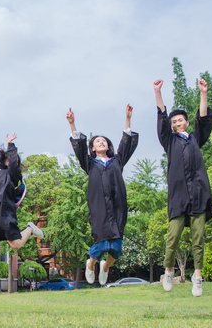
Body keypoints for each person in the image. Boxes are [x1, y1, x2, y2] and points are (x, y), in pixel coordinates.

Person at [154, 79, 212, 297]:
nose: (178, 122)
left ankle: (197, 277)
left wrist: (203, 93)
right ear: (171, 126)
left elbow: (203, 118)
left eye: (181, 120)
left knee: (198, 239)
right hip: (179, 196)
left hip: (199, 193)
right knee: (173, 237)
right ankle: (169, 270)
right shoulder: (169, 141)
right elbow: (162, 115)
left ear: (186, 123)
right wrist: (158, 92)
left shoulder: (196, 139)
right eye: (174, 121)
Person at [67, 105, 139, 286]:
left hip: (117, 206)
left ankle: (105, 267)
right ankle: (91, 263)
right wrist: (72, 124)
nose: (101, 142)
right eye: (97, 141)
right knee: (101, 243)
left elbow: (126, 144)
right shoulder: (90, 164)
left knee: (116, 248)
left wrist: (128, 119)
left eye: (104, 141)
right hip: (99, 206)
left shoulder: (118, 161)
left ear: (108, 146)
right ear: (92, 148)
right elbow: (79, 149)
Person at [0, 125, 44, 255]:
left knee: (16, 244)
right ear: (3, 157)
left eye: (15, 160)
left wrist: (10, 144)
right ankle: (1, 234)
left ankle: (30, 229)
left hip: (5, 215)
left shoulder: (13, 174)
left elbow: (12, 164)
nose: (13, 160)